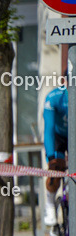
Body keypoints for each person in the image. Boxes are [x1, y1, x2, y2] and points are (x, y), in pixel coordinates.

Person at [43, 86, 68, 228]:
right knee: (55, 168)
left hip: (73, 135)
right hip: (58, 136)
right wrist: (50, 157)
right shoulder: (54, 97)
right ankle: (50, 204)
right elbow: (49, 129)